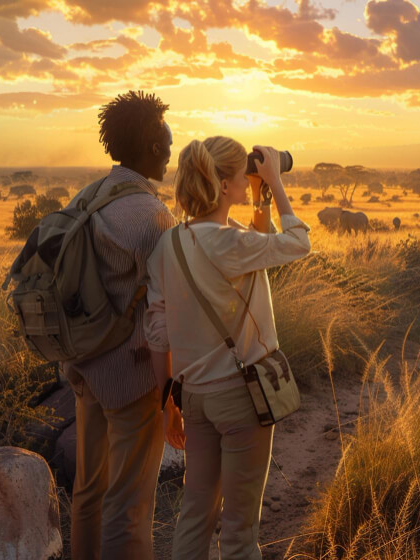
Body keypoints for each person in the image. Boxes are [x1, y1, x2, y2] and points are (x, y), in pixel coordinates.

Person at [144, 139, 311, 559]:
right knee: (239, 529)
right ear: (222, 186)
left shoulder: (171, 243)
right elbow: (297, 242)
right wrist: (274, 180)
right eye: (242, 176)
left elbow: (157, 332)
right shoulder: (227, 243)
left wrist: (169, 406)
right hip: (240, 399)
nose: (247, 180)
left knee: (195, 513)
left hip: (194, 398)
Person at [62, 90, 176, 560]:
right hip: (133, 378)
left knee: (89, 492)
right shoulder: (152, 216)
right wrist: (170, 390)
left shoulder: (86, 197)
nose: (171, 150)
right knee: (128, 505)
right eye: (167, 142)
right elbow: (167, 310)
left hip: (85, 366)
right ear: (151, 144)